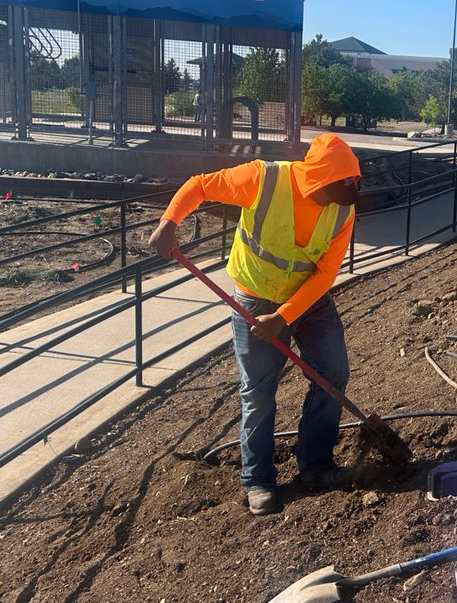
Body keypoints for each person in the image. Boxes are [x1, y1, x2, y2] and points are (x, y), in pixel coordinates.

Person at [149, 133, 362, 516]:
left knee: (332, 373)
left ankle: (315, 465)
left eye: (352, 182)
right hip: (254, 296)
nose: (349, 190)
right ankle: (258, 479)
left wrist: (284, 316)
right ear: (317, 180)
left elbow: (326, 272)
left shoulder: (343, 211)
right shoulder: (263, 180)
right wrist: (169, 222)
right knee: (259, 392)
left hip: (308, 301)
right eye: (341, 184)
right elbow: (199, 186)